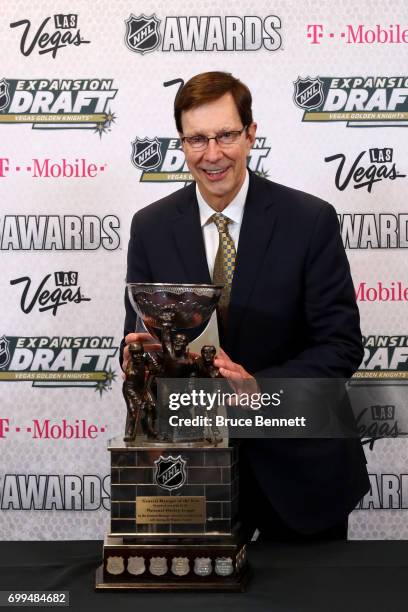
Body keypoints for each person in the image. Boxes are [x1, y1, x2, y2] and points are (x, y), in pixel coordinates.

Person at [121, 71, 370, 542]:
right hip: (194, 471)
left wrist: (260, 389)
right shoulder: (150, 227)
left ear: (251, 134)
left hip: (299, 468)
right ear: (181, 142)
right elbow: (139, 332)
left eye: (226, 135)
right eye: (197, 138)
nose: (212, 154)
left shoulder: (310, 221)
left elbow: (341, 346)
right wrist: (144, 355)